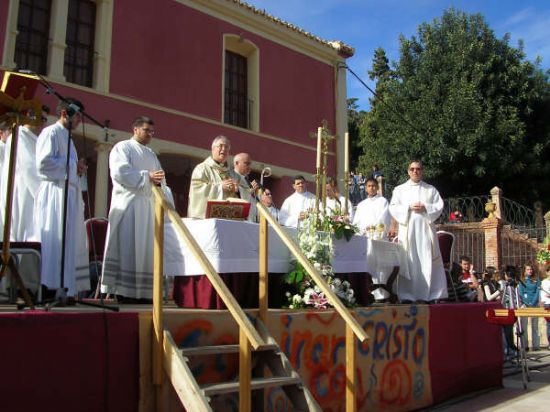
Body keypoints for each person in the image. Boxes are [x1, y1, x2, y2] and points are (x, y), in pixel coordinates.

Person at [101, 116, 174, 302]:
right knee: (128, 247)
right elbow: (120, 172)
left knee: (147, 250)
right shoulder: (122, 148)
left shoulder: (151, 154)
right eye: (146, 130)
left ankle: (145, 293)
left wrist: (161, 187)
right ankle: (123, 292)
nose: (150, 134)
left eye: (152, 132)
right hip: (129, 206)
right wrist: (146, 176)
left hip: (149, 208)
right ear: (135, 129)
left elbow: (160, 180)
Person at [34, 98, 89, 297]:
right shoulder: (50, 133)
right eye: (78, 117)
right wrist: (74, 167)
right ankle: (49, 287)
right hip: (54, 196)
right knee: (55, 241)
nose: (79, 123)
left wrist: (79, 169)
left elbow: (67, 167)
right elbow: (43, 164)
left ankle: (64, 289)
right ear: (65, 113)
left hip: (68, 196)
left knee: (68, 242)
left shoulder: (68, 138)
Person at [0, 107, 49, 294]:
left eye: (44, 119)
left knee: (33, 236)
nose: (42, 122)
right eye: (39, 117)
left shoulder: (36, 140)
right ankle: (21, 286)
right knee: (25, 236)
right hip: (23, 195)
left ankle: (28, 284)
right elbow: (30, 168)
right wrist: (45, 193)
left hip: (33, 196)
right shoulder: (19, 136)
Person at [389, 160, 447, 303]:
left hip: (426, 232)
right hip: (408, 231)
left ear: (422, 171)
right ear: (408, 171)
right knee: (409, 260)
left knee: (427, 259)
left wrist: (425, 207)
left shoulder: (430, 189)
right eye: (412, 169)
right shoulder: (399, 189)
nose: (415, 171)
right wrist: (408, 207)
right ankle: (407, 295)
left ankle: (431, 294)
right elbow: (393, 207)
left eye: (418, 169)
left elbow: (439, 205)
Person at [187, 135, 238, 218]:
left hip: (228, 217)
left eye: (227, 147)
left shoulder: (232, 173)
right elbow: (196, 190)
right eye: (220, 146)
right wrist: (220, 187)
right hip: (206, 219)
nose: (224, 149)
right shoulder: (202, 168)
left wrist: (236, 190)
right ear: (213, 149)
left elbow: (243, 193)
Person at [518, 264, 541, 351]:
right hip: (524, 306)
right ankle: (525, 346)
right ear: (524, 271)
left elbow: (537, 292)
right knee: (524, 326)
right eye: (528, 269)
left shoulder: (536, 280)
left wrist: (533, 302)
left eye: (531, 269)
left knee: (535, 326)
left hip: (535, 305)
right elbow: (521, 293)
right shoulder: (521, 281)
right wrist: (526, 302)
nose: (530, 271)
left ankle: (536, 346)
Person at [233, 152, 259, 222]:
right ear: (236, 163)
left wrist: (254, 195)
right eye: (246, 163)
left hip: (250, 220)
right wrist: (249, 193)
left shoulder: (247, 180)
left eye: (249, 164)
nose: (249, 167)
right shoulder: (231, 177)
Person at [540, 267, 550, 350]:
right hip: (548, 304)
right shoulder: (544, 282)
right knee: (549, 325)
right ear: (547, 272)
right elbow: (543, 296)